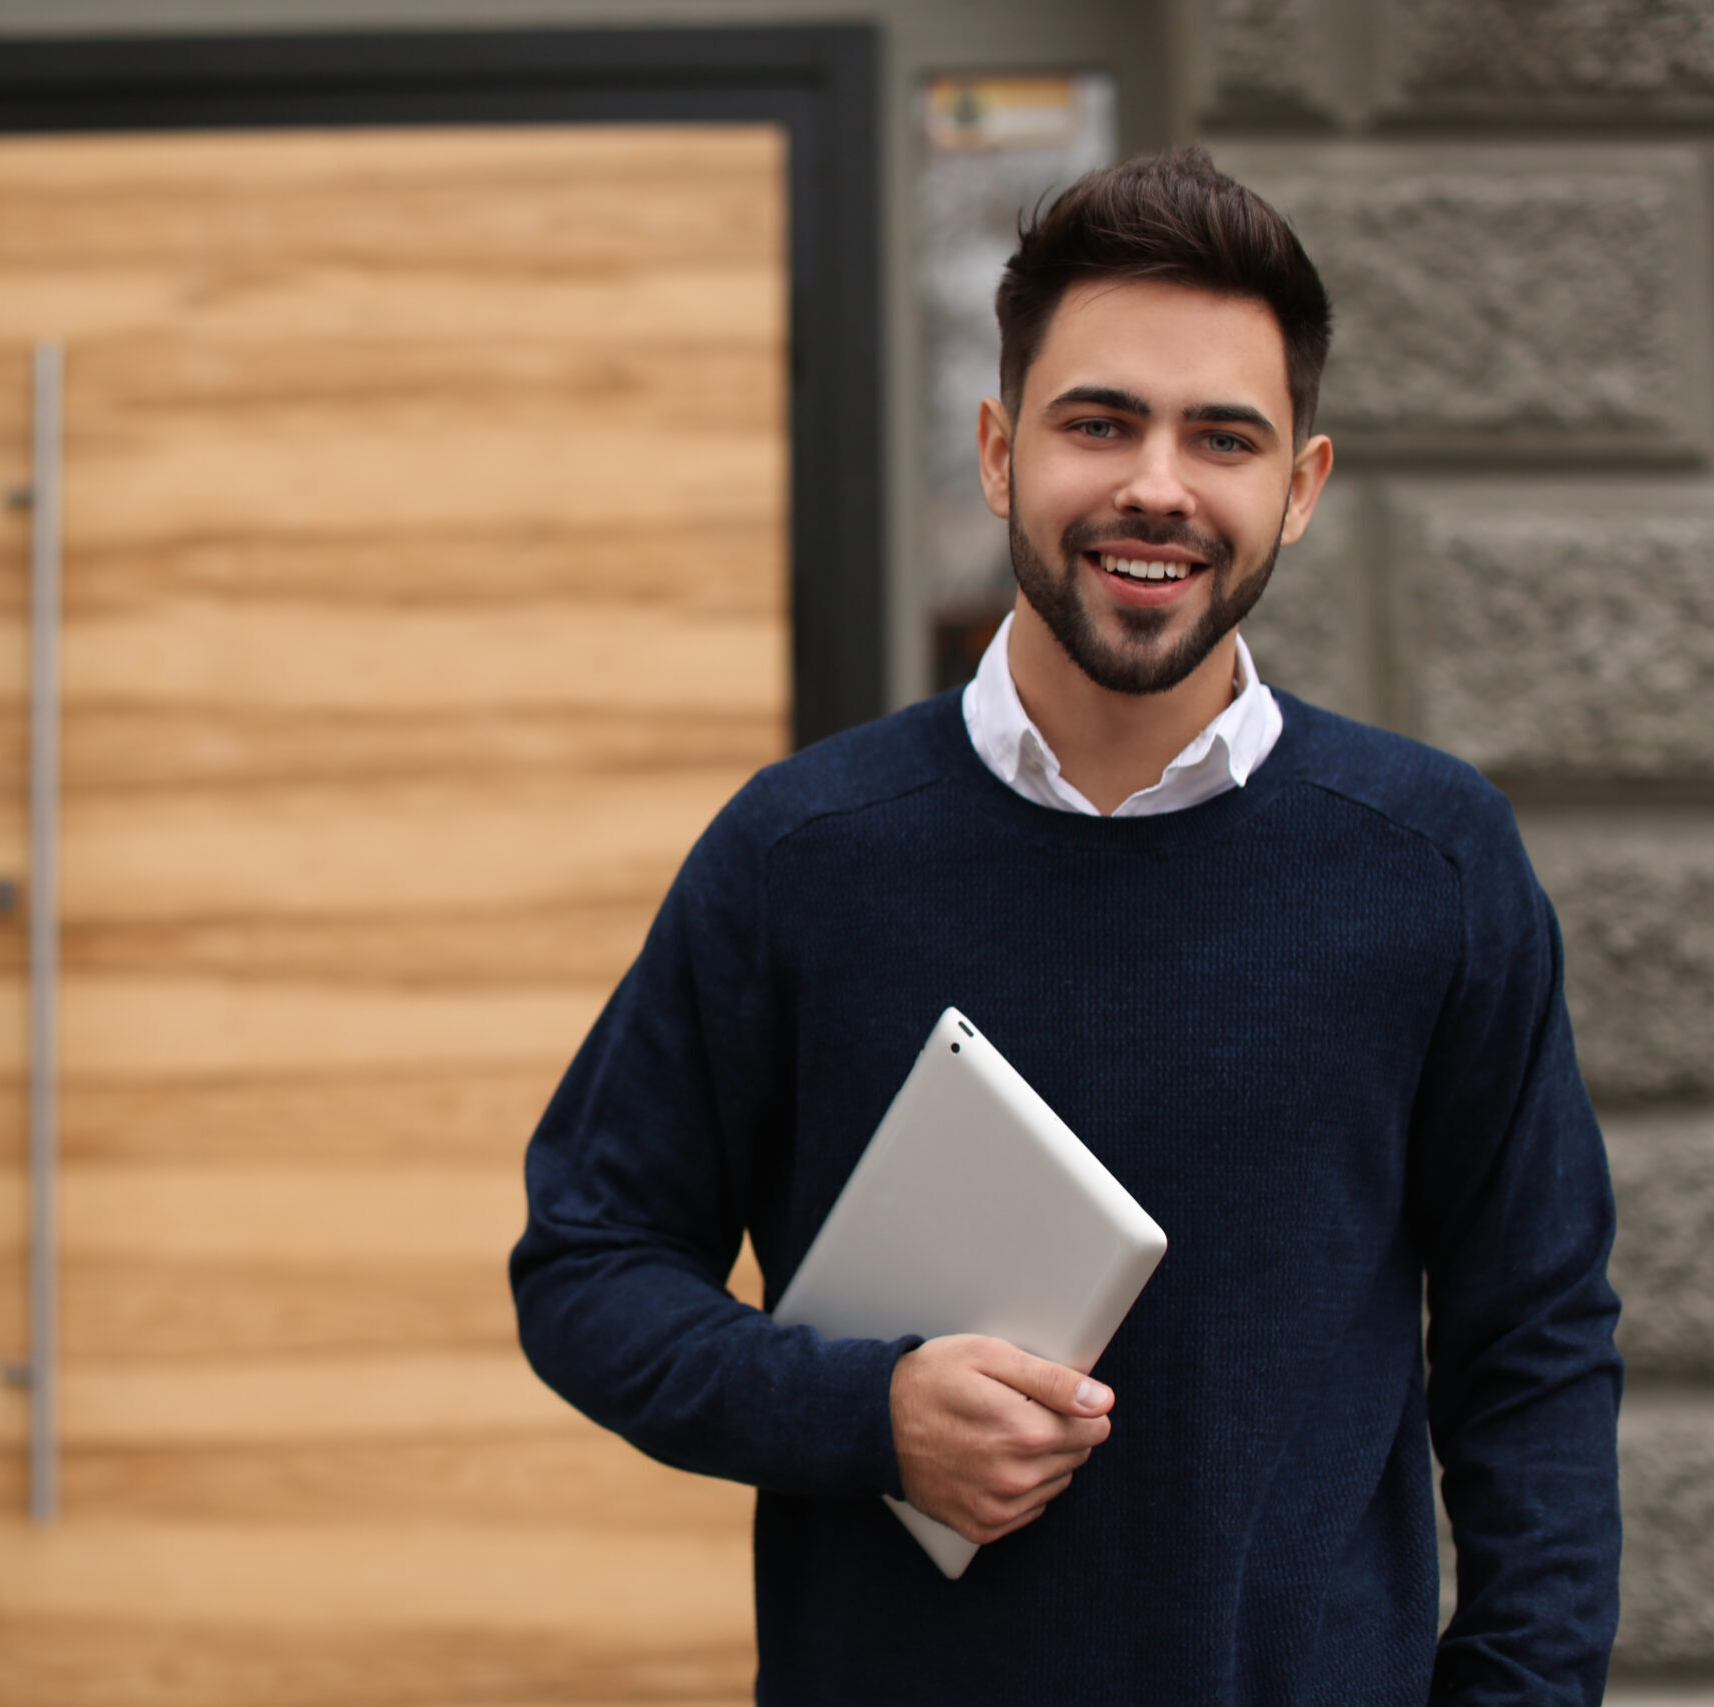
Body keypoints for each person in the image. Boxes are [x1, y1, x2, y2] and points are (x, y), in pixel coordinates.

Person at [510, 147, 1621, 1705]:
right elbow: (586, 1267)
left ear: (1296, 488)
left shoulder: (1430, 862)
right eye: (1097, 422)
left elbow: (1534, 1346)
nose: (1153, 485)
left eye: (1218, 437)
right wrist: (864, 1412)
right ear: (995, 452)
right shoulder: (800, 857)